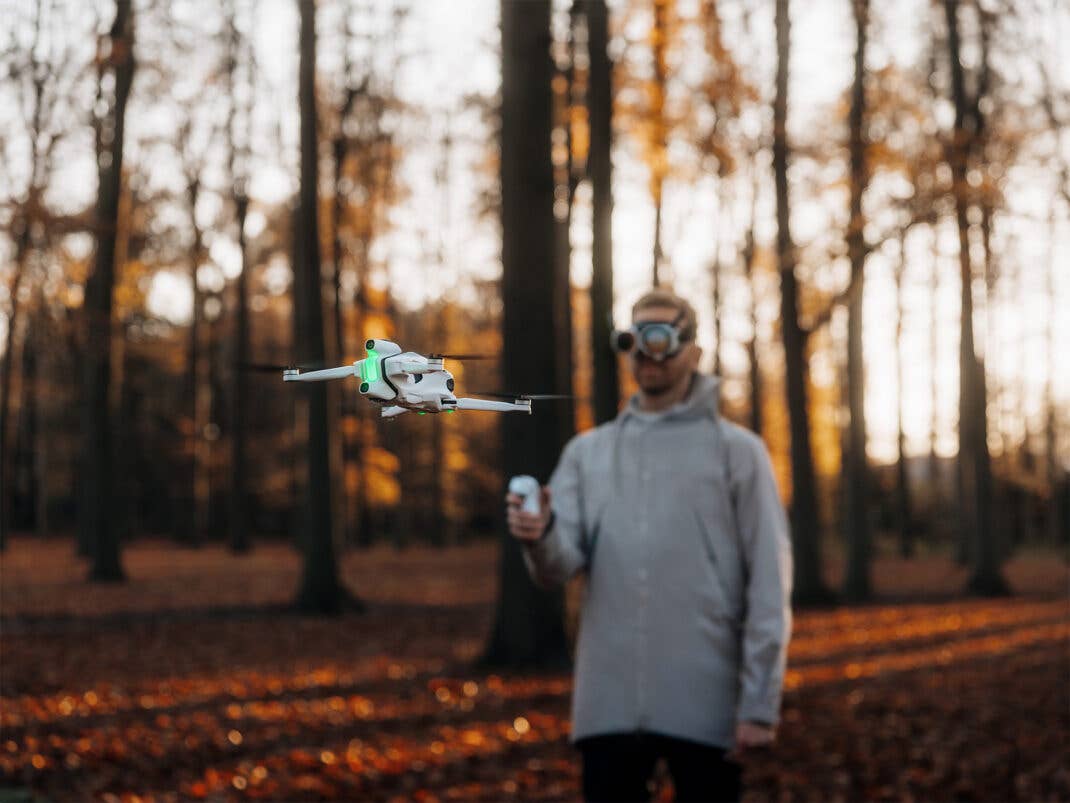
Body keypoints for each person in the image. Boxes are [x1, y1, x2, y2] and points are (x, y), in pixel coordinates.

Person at [506, 288, 793, 803]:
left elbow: (770, 584)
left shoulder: (739, 454)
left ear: (695, 352)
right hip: (608, 705)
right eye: (635, 338)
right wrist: (540, 535)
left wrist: (758, 704)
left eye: (660, 335)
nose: (646, 352)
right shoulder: (588, 453)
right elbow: (556, 567)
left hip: (707, 704)